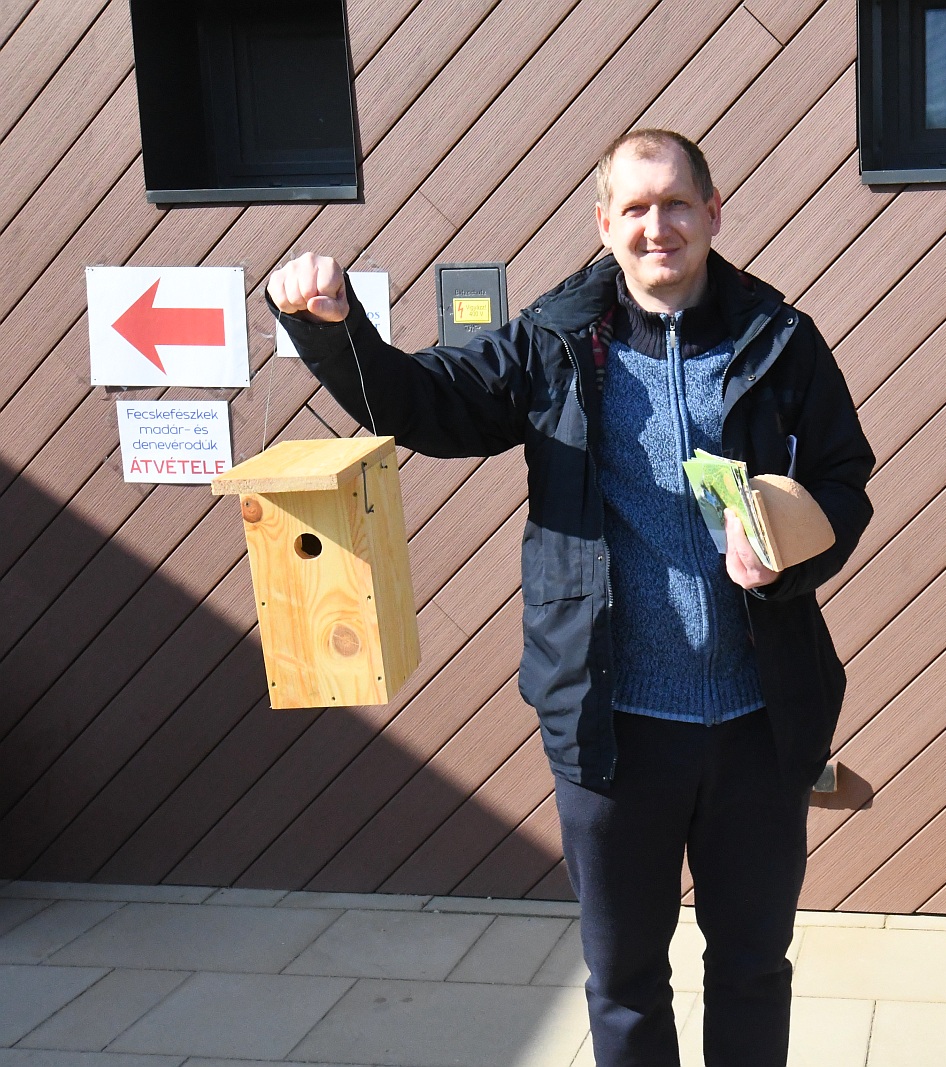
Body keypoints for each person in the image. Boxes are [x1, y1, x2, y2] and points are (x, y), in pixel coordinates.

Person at [267, 129, 874, 1067]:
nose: (657, 226)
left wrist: (789, 546)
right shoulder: (555, 342)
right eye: (634, 209)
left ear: (715, 213)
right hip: (613, 724)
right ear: (604, 225)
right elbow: (429, 404)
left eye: (676, 204)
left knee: (754, 966)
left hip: (760, 722)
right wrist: (332, 329)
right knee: (625, 981)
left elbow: (844, 478)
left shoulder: (780, 338)